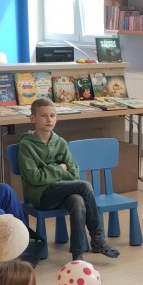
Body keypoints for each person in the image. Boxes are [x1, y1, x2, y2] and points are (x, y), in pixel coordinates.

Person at [18, 97, 120, 261]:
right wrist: (59, 168)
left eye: (52, 115)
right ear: (32, 118)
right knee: (84, 186)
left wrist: (49, 171)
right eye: (43, 116)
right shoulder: (26, 145)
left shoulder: (60, 142)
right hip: (41, 195)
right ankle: (98, 240)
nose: (49, 119)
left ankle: (77, 255)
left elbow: (73, 173)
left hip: (62, 190)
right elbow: (35, 178)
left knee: (77, 200)